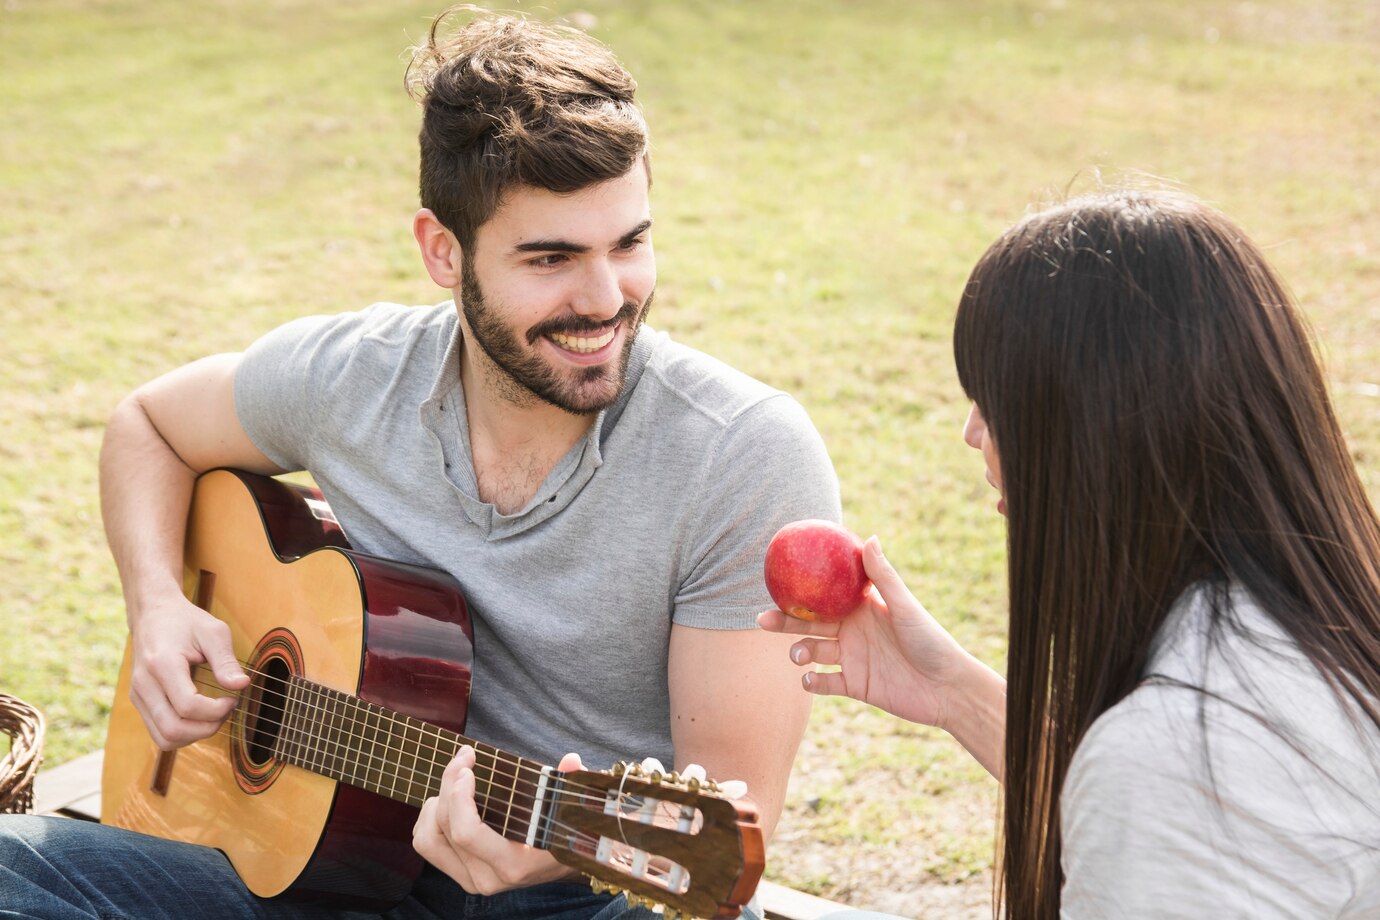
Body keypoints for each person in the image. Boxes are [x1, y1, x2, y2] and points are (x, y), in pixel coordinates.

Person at [0, 7, 838, 920]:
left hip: (589, 889)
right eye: (551, 257)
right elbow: (148, 426)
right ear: (443, 251)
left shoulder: (742, 453)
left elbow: (728, 822)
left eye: (628, 243)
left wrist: (554, 857)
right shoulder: (352, 377)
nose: (605, 299)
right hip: (308, 869)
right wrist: (159, 607)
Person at [761, 188, 1380, 918]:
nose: (971, 434)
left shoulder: (1174, 760)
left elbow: (1165, 808)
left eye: (994, 401)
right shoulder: (1312, 643)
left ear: (1091, 439)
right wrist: (956, 694)